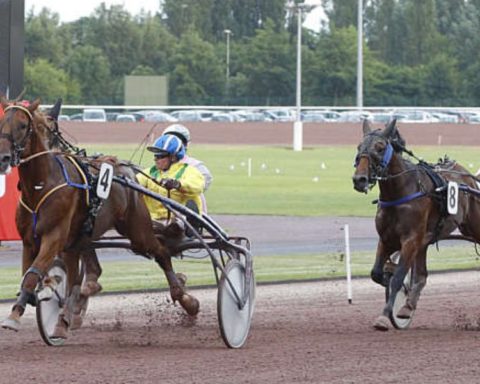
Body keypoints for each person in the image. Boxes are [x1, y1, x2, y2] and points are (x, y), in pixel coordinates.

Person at [136, 134, 205, 231]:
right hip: (153, 220)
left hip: (180, 219)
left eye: (160, 156)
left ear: (173, 157)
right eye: (155, 156)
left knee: (175, 226)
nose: (155, 159)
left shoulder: (188, 170)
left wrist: (178, 185)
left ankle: (181, 226)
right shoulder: (150, 172)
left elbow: (197, 186)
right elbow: (136, 182)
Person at [162, 124, 213, 212]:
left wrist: (179, 185)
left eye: (180, 141)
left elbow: (204, 182)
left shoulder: (195, 165)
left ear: (186, 144)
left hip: (188, 214)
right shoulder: (158, 166)